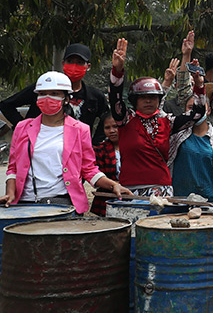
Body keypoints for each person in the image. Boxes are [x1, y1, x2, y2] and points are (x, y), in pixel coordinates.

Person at [2, 72, 131, 212]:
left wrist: (113, 185)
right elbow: (13, 168)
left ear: (66, 99)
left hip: (62, 203)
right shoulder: (23, 128)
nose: (47, 98)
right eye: (42, 93)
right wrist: (10, 193)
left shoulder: (81, 130)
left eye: (54, 93)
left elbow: (88, 169)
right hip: (24, 204)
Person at [108, 38, 176, 198]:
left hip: (162, 190)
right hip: (130, 190)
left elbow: (197, 115)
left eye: (153, 97)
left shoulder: (167, 121)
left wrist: (199, 87)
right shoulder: (125, 119)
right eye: (143, 97)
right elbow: (115, 99)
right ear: (134, 100)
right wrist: (117, 71)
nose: (148, 101)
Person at [1, 43, 108, 133]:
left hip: (77, 150)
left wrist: (96, 143)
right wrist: (24, 127)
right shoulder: (43, 88)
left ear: (88, 66)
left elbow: (107, 118)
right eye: (70, 61)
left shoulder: (95, 96)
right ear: (63, 64)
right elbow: (6, 105)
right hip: (39, 145)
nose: (74, 66)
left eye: (80, 62)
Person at [168, 94, 213, 202]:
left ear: (208, 110)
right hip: (179, 200)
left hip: (210, 201)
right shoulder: (176, 136)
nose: (195, 112)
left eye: (200, 108)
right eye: (191, 108)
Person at [90, 113, 121, 215]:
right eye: (107, 128)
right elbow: (96, 174)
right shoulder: (100, 150)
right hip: (106, 198)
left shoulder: (134, 147)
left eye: (115, 126)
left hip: (132, 194)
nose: (112, 131)